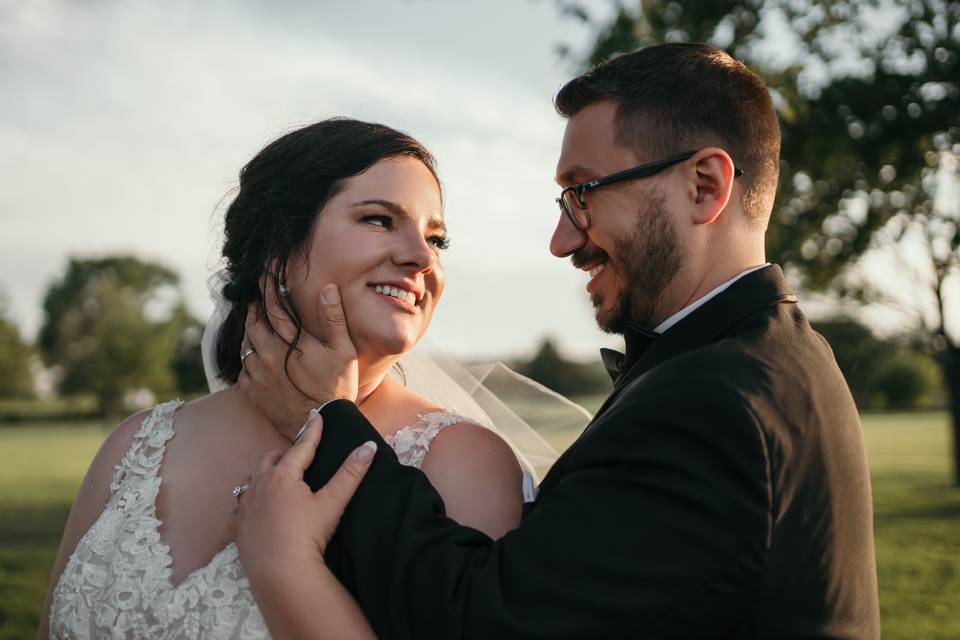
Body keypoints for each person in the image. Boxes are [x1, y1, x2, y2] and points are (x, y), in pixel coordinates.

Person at [231, 43, 882, 638]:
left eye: (582, 193)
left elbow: (488, 622)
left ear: (704, 185)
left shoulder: (712, 401)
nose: (562, 239)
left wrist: (324, 422)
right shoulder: (773, 359)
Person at [38, 118, 529, 640]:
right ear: (279, 242)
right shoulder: (137, 444)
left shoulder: (462, 461)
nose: (421, 257)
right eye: (380, 220)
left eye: (437, 239)